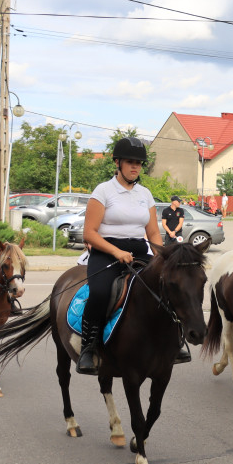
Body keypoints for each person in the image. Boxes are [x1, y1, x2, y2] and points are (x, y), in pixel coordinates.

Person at [79, 137, 180, 374]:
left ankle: (176, 339)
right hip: (106, 252)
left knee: (169, 286)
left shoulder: (145, 194)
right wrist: (115, 251)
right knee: (101, 292)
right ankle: (88, 347)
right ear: (118, 162)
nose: (135, 167)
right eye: (130, 162)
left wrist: (162, 258)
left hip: (138, 251)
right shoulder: (103, 191)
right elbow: (89, 233)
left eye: (139, 163)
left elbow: (153, 232)